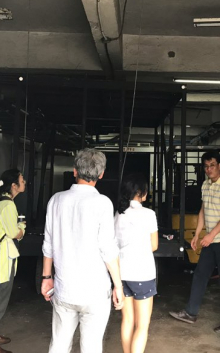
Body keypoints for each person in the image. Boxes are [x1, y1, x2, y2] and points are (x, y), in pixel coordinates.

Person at [41, 148, 124, 353]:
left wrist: (46, 277)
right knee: (91, 347)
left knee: (59, 345)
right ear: (101, 174)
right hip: (95, 292)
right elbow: (108, 249)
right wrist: (118, 285)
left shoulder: (56, 200)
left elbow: (48, 243)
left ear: (75, 171)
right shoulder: (103, 203)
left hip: (64, 289)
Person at [169, 150, 220, 333]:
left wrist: (211, 235)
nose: (209, 169)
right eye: (206, 166)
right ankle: (190, 313)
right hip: (211, 238)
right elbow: (203, 210)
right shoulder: (205, 184)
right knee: (200, 274)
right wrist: (197, 234)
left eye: (212, 165)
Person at [115, 173, 158, 353]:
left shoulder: (119, 214)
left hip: (122, 274)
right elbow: (154, 245)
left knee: (127, 321)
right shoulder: (149, 214)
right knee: (142, 325)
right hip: (142, 274)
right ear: (141, 192)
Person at [0, 169, 27, 353]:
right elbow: (13, 233)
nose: (24, 182)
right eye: (21, 180)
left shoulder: (1, 201)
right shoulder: (8, 205)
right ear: (14, 185)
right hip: (3, 260)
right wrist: (22, 228)